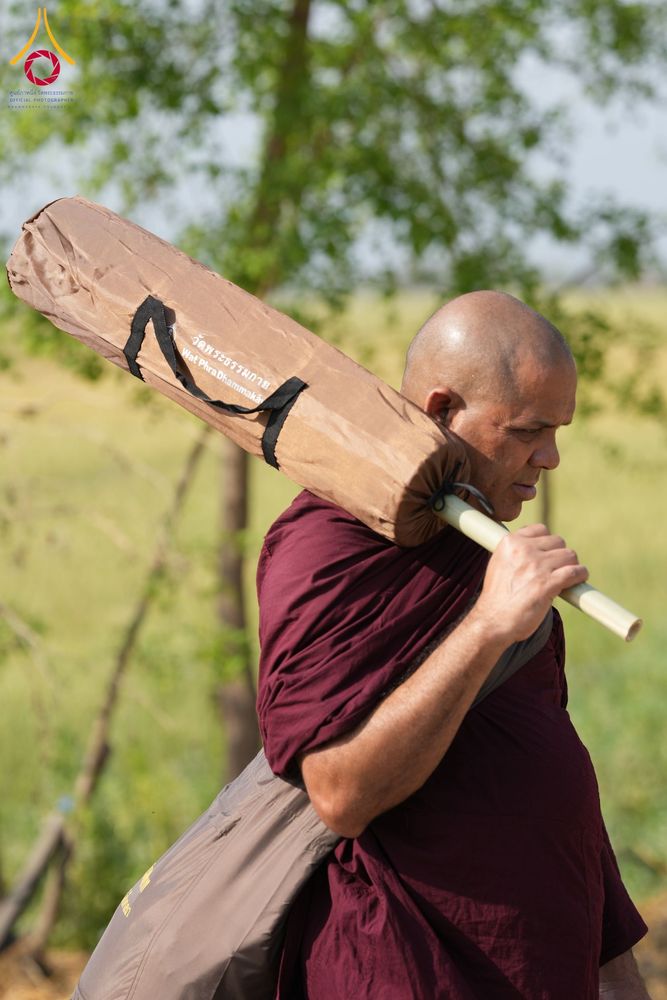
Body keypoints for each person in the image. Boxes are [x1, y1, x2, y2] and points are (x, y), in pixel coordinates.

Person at [256, 291, 649, 999]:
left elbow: (551, 783)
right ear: (441, 410)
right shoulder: (328, 544)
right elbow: (339, 793)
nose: (550, 456)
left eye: (558, 430)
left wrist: (616, 972)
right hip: (407, 973)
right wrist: (490, 624)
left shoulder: (485, 544)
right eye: (528, 430)